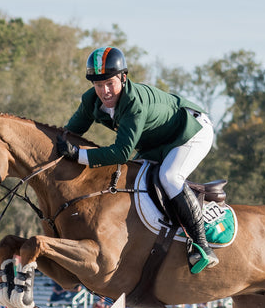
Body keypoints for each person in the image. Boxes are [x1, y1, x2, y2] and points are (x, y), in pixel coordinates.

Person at [58, 45, 218, 273]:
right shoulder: (91, 101)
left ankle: (201, 245)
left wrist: (79, 155)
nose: (104, 91)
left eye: (109, 83)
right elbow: (68, 134)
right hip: (157, 142)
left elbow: (121, 153)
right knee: (132, 179)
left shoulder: (134, 103)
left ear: (123, 78)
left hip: (190, 131)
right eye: (98, 84)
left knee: (170, 176)